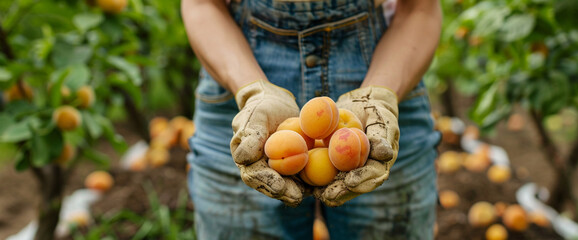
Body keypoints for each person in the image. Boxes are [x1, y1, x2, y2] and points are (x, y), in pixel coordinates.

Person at [182, 0, 442, 238]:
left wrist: (382, 94)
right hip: (235, 61)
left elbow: (420, 8)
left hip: (389, 62)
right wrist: (251, 90)